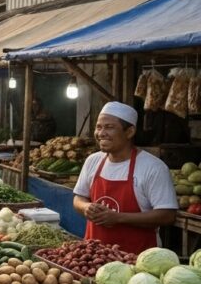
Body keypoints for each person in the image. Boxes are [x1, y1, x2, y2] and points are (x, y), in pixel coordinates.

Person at [72, 102, 177, 254]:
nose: (101, 133)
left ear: (130, 132)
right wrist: (86, 207)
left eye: (109, 127)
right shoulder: (93, 161)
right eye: (99, 127)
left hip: (137, 260)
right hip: (93, 257)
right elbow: (78, 198)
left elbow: (167, 215)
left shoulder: (153, 167)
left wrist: (118, 218)